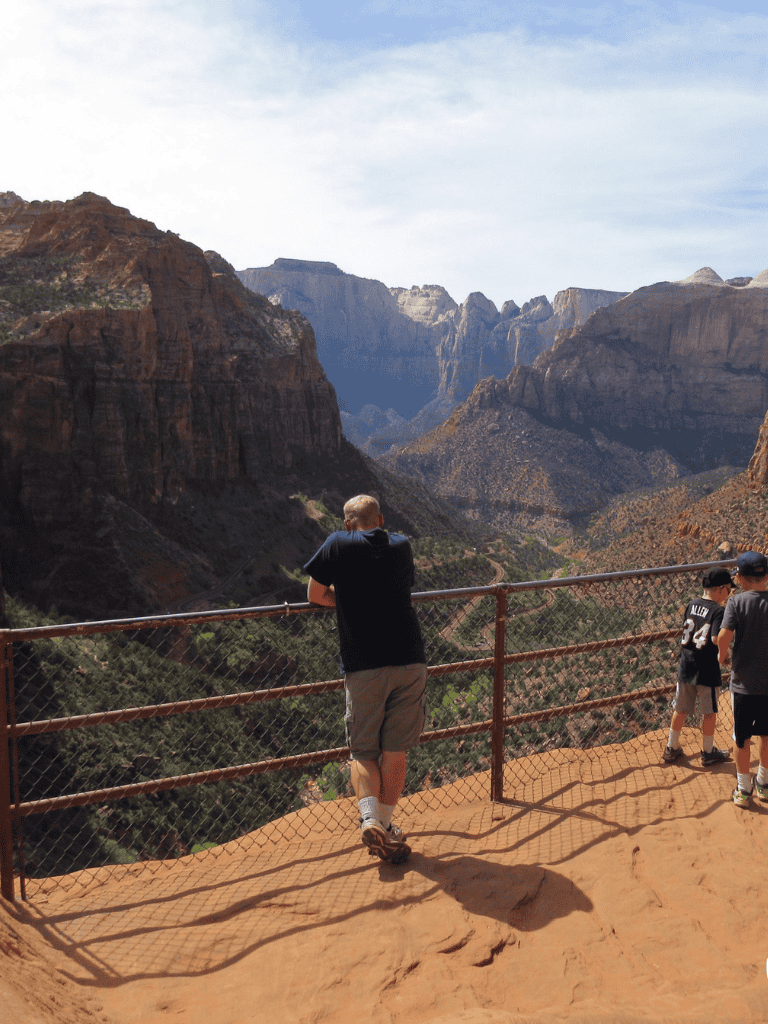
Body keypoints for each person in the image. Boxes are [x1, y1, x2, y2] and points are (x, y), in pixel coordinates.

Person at [304, 494, 427, 864]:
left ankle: (371, 819)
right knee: (395, 749)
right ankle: (387, 827)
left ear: (347, 523)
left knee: (363, 750)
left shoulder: (337, 544)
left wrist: (347, 599)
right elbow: (398, 588)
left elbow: (314, 594)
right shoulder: (402, 546)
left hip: (365, 664)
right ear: (381, 519)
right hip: (409, 659)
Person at [662, 566, 734, 765]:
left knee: (680, 708)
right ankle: (708, 751)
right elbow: (714, 638)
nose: (729, 594)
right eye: (728, 589)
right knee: (709, 712)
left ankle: (671, 747)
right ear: (720, 589)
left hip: (686, 665)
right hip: (707, 670)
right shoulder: (719, 610)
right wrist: (725, 654)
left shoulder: (692, 603)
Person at [717, 550, 768, 807]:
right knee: (767, 737)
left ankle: (743, 789)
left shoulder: (736, 603)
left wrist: (722, 657)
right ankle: (765, 784)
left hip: (743, 685)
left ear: (739, 576)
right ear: (766, 576)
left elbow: (724, 636)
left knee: (742, 739)